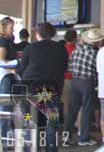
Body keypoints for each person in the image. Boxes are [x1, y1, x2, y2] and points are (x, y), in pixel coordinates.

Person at [17, 23, 68, 152]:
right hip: (52, 90)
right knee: (51, 122)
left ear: (37, 34)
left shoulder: (30, 48)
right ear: (52, 34)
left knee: (29, 119)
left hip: (31, 90)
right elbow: (64, 68)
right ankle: (51, 149)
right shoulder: (61, 49)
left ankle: (30, 148)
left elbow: (21, 69)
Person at [65, 27, 104, 146]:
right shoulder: (95, 53)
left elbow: (70, 68)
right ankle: (84, 138)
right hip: (88, 83)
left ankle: (66, 137)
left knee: (72, 110)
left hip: (75, 81)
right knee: (87, 110)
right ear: (95, 41)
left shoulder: (76, 51)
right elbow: (98, 71)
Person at [0, 17, 17, 145]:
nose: (13, 30)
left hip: (9, 78)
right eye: (11, 27)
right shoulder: (3, 41)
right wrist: (14, 65)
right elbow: (1, 60)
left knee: (9, 109)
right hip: (6, 77)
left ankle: (6, 139)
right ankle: (4, 141)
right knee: (5, 109)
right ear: (4, 28)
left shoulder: (9, 41)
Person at [63, 29, 78, 121]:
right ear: (74, 38)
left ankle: (66, 123)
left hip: (64, 78)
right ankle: (75, 123)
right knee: (75, 103)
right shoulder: (76, 50)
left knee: (66, 103)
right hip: (74, 79)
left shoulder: (62, 49)